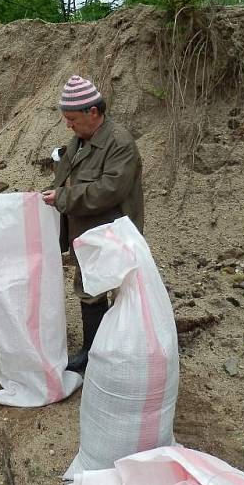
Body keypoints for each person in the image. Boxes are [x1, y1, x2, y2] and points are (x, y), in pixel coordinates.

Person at [41, 75, 144, 372]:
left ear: (93, 113)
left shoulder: (120, 143)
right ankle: (92, 352)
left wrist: (62, 197)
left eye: (72, 118)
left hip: (113, 233)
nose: (68, 124)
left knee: (121, 291)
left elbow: (107, 191)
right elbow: (64, 177)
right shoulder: (80, 140)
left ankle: (121, 352)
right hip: (87, 233)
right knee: (88, 289)